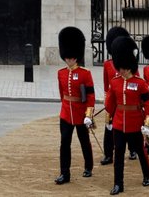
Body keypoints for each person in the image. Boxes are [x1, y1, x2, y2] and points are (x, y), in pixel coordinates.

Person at [104, 36, 149, 195]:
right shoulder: (115, 82)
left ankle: (147, 175)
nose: (121, 71)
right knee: (118, 155)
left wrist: (147, 124)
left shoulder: (140, 83)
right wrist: (108, 119)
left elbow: (148, 103)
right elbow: (110, 103)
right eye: (120, 68)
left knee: (140, 151)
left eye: (124, 68)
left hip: (135, 124)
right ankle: (118, 184)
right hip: (119, 124)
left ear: (130, 67)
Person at [55, 27, 95, 185]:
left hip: (80, 113)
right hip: (66, 113)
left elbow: (90, 96)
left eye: (71, 58)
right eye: (67, 57)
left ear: (76, 57)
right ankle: (64, 173)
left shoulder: (85, 73)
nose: (69, 60)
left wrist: (88, 114)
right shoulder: (61, 73)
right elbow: (62, 94)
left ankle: (88, 166)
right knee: (65, 142)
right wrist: (65, 106)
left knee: (84, 140)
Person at [100, 26, 130, 166]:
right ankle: (108, 154)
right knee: (109, 127)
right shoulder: (107, 64)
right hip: (113, 102)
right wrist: (107, 102)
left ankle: (133, 149)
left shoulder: (129, 65)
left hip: (125, 100)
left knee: (129, 126)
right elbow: (106, 86)